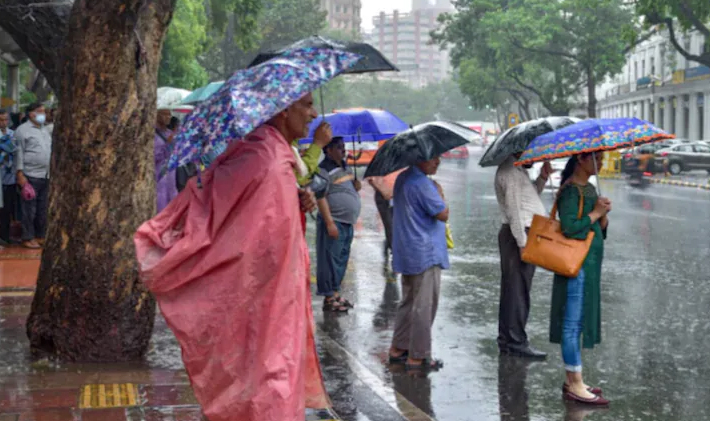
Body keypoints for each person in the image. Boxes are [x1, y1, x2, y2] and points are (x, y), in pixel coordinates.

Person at [134, 92, 330, 421]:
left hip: (277, 297)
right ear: (282, 109)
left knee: (270, 371)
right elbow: (227, 221)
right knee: (267, 377)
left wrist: (296, 199)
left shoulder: (274, 157)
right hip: (262, 298)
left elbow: (265, 217)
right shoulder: (262, 157)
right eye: (306, 105)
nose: (313, 114)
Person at [551, 153, 610, 406]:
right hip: (576, 266)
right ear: (582, 160)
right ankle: (574, 383)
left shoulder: (590, 189)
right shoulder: (571, 192)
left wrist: (603, 216)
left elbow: (598, 230)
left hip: (589, 264)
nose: (602, 162)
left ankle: (574, 380)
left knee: (578, 321)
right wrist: (596, 213)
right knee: (572, 325)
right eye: (597, 158)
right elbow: (570, 228)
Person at [388, 156, 449, 371]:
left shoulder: (403, 178)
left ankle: (399, 348)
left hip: (408, 250)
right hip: (426, 252)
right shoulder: (423, 184)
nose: (437, 162)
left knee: (408, 301)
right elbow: (442, 213)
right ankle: (418, 356)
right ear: (420, 158)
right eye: (433, 158)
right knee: (424, 305)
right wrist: (440, 193)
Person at [494, 155, 553, 359]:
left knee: (514, 289)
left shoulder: (519, 170)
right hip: (518, 235)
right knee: (518, 291)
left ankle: (508, 339)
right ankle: (516, 341)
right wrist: (521, 242)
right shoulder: (510, 172)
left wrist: (542, 178)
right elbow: (515, 211)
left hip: (522, 233)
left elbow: (528, 200)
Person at [316, 136, 362, 312]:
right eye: (339, 147)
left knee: (341, 259)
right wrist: (329, 222)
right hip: (334, 221)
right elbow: (320, 196)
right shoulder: (323, 169)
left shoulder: (345, 166)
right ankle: (328, 298)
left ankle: (335, 293)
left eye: (344, 147)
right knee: (329, 260)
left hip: (347, 222)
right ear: (328, 150)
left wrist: (355, 186)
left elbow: (345, 189)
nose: (344, 150)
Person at [15, 103, 51, 249]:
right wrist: (20, 174)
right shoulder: (22, 131)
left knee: (43, 209)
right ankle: (27, 237)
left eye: (44, 111)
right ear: (31, 114)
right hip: (30, 175)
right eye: (40, 111)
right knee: (29, 210)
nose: (43, 114)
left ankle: (40, 235)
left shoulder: (45, 130)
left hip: (45, 175)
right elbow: (18, 153)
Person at [155, 108, 178, 212]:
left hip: (171, 174)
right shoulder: (153, 134)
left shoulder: (169, 133)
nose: (168, 117)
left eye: (169, 115)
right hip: (159, 175)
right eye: (164, 114)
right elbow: (155, 156)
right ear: (156, 115)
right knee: (161, 202)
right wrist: (167, 144)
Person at [0, 109, 15, 246]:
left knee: (7, 209)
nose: (4, 122)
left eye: (5, 119)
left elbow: (14, 150)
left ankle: (5, 236)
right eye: (1, 120)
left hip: (9, 177)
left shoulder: (12, 134)